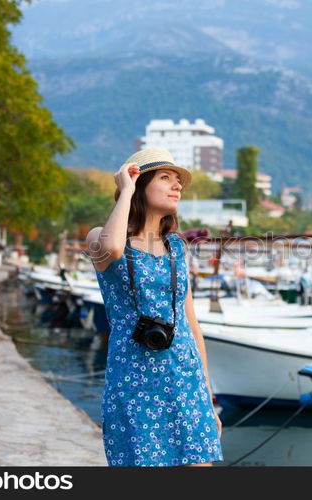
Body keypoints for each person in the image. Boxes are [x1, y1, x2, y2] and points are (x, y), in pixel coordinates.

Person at [85, 148, 223, 467]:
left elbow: (191, 325)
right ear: (139, 183)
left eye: (178, 181)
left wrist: (208, 398)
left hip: (186, 382)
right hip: (135, 382)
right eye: (165, 178)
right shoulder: (100, 237)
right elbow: (114, 247)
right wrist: (126, 190)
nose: (177, 186)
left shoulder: (176, 246)